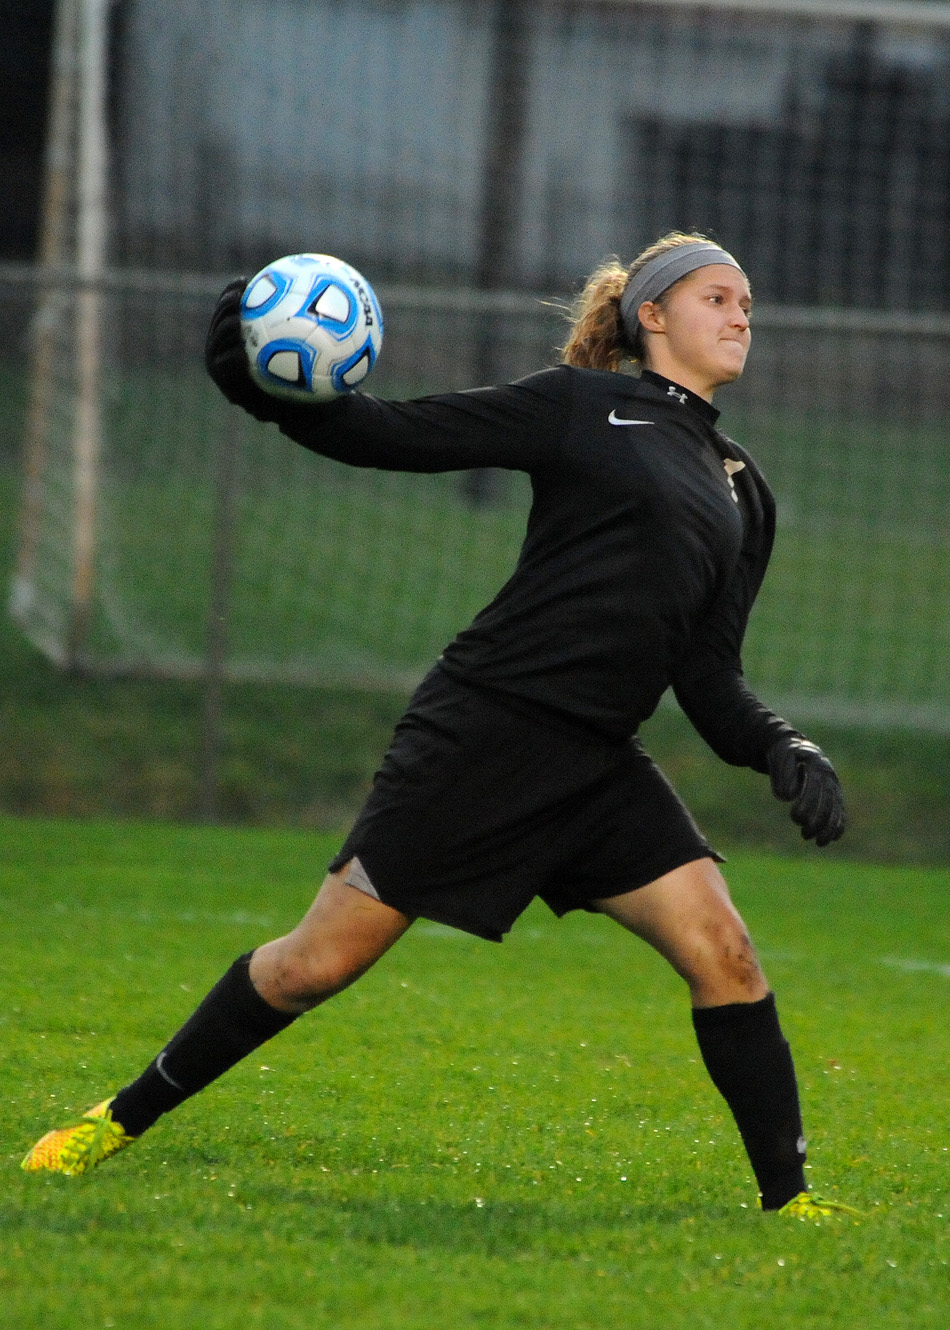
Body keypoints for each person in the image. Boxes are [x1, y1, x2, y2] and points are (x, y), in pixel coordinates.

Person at [22, 232, 859, 1220]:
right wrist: (264, 391)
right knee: (312, 965)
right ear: (652, 313)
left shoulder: (738, 487)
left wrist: (781, 745)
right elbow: (392, 433)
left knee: (723, 949)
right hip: (486, 730)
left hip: (598, 763)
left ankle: (788, 1202)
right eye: (718, 297)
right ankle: (111, 1119)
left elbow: (707, 677)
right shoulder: (578, 406)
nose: (738, 318)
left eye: (747, 305)